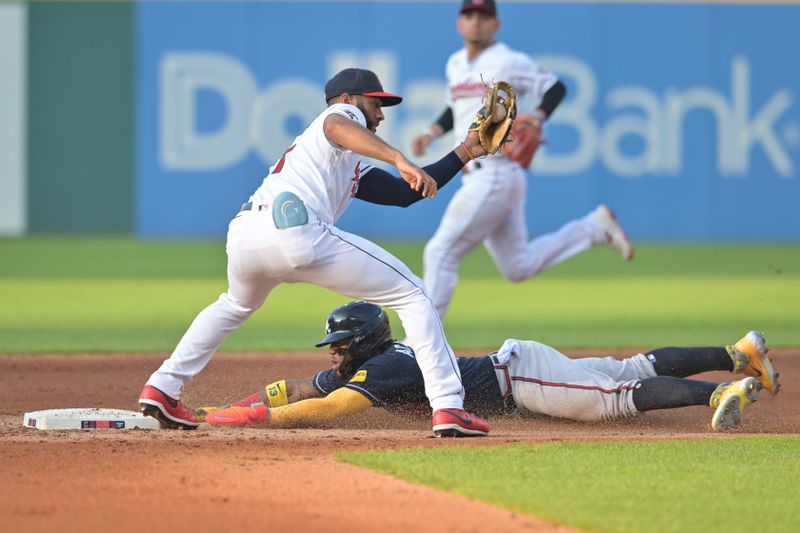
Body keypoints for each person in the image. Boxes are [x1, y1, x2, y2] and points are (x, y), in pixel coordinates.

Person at [138, 68, 493, 438]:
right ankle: (449, 406)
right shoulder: (336, 119)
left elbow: (406, 195)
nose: (381, 114)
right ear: (348, 100)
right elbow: (337, 126)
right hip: (293, 229)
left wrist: (466, 151)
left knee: (233, 305)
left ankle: (163, 387)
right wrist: (397, 157)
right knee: (413, 294)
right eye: (375, 103)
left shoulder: (342, 163)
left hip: (246, 237)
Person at [201, 301, 781, 433]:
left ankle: (721, 392)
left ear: (361, 343)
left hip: (519, 380)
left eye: (337, 343)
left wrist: (257, 423)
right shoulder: (376, 357)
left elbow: (328, 406)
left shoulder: (384, 370)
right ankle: (738, 352)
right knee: (628, 365)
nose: (331, 352)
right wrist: (244, 404)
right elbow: (305, 386)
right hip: (520, 365)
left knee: (614, 397)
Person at [411, 0, 633, 322]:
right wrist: (430, 132)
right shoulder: (455, 63)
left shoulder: (508, 60)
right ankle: (592, 228)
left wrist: (538, 116)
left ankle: (423, 342)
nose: (476, 22)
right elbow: (455, 108)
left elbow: (555, 87)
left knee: (440, 252)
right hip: (492, 176)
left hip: (495, 173)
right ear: (459, 23)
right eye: (469, 15)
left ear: (496, 25)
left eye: (484, 16)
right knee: (518, 267)